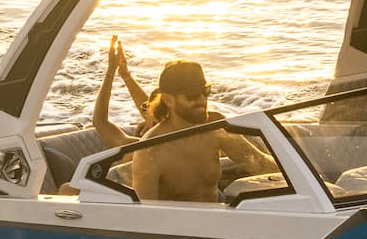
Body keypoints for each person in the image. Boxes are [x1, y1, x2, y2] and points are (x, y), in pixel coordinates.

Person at [94, 41, 274, 203]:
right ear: (168, 100)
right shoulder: (150, 150)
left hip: (216, 209)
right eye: (192, 96)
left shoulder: (214, 126)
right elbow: (145, 214)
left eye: (205, 92)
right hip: (181, 224)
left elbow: (258, 164)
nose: (202, 100)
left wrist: (291, 170)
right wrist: (111, 72)